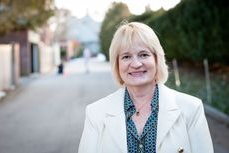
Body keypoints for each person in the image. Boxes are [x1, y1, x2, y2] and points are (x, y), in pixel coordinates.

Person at [78, 22, 213, 153]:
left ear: (157, 59)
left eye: (144, 55)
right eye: (126, 56)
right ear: (117, 64)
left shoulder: (192, 109)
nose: (136, 64)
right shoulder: (95, 113)